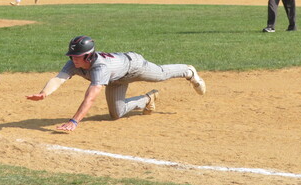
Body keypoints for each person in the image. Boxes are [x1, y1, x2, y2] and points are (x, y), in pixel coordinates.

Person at [26, 36, 206, 132]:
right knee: (116, 114)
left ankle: (188, 71)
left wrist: (74, 121)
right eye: (71, 56)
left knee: (161, 74)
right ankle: (147, 99)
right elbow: (59, 79)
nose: (73, 59)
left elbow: (90, 98)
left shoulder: (100, 68)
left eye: (77, 56)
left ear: (88, 56)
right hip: (115, 79)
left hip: (134, 66)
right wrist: (44, 93)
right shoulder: (74, 63)